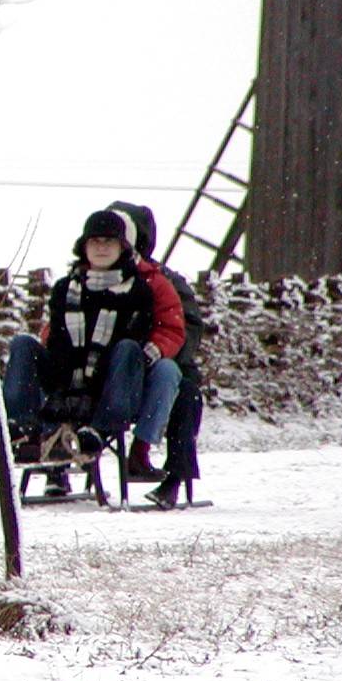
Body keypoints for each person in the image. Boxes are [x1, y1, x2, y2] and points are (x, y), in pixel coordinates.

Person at [3, 210, 165, 473]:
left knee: (127, 348)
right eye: (95, 242)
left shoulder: (138, 291)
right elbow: (58, 342)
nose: (101, 248)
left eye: (109, 242)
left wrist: (89, 394)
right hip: (66, 381)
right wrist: (61, 394)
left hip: (112, 388)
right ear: (84, 247)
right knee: (23, 344)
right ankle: (23, 430)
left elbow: (133, 343)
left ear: (122, 247)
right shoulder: (65, 289)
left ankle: (98, 430)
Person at [108, 199, 204, 509]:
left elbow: (186, 328)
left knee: (185, 393)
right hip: (111, 367)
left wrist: (159, 354)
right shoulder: (94, 277)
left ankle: (174, 478)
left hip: (161, 362)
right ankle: (58, 463)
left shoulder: (166, 281)